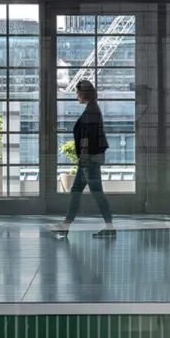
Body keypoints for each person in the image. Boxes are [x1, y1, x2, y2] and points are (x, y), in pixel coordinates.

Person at [55, 79, 115, 238]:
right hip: (89, 158)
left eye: (77, 92)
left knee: (96, 192)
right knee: (77, 191)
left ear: (83, 93)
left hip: (89, 158)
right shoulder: (92, 109)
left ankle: (110, 227)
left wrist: (83, 155)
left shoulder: (91, 111)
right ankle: (66, 225)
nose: (76, 96)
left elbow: (87, 137)